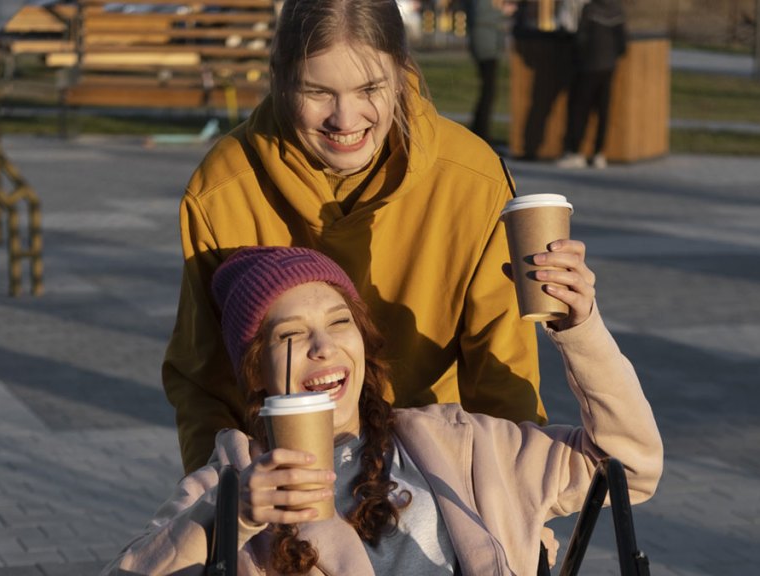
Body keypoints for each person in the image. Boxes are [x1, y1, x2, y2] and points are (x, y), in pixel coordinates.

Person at [104, 245, 662, 575]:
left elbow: (630, 468)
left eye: (340, 322)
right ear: (255, 371)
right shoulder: (229, 485)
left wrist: (579, 328)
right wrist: (230, 518)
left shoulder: (461, 444)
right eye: (291, 335)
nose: (323, 346)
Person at [163, 0, 544, 476]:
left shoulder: (472, 179)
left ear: (402, 73)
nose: (345, 120)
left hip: (435, 473)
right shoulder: (223, 190)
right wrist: (225, 504)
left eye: (370, 88)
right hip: (288, 481)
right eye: (317, 92)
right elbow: (205, 382)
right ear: (280, 78)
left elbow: (503, 376)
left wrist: (518, 502)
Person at [555, 0, 627, 170]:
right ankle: (598, 153)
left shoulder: (590, 9)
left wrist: (576, 57)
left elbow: (581, 37)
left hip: (587, 65)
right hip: (608, 66)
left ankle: (575, 152)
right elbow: (622, 44)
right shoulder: (617, 9)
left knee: (579, 110)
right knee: (603, 111)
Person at [465, 0, 506, 142]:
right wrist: (502, 13)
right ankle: (480, 132)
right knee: (488, 90)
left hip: (490, 45)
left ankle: (480, 129)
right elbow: (480, 17)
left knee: (489, 90)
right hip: (485, 45)